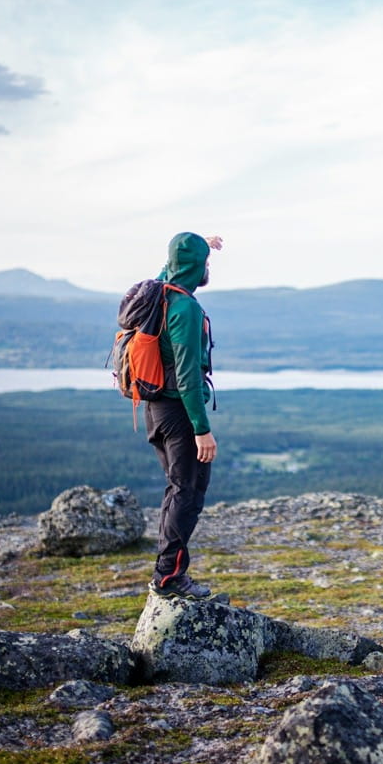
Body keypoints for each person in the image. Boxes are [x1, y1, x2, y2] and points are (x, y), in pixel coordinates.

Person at [146, 231, 222, 599]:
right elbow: (189, 376)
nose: (208, 269)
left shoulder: (159, 291)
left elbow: (171, 267)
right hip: (178, 409)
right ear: (196, 268)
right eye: (205, 263)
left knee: (178, 488)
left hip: (156, 408)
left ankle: (168, 572)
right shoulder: (185, 308)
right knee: (188, 491)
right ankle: (169, 577)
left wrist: (196, 245)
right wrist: (201, 429)